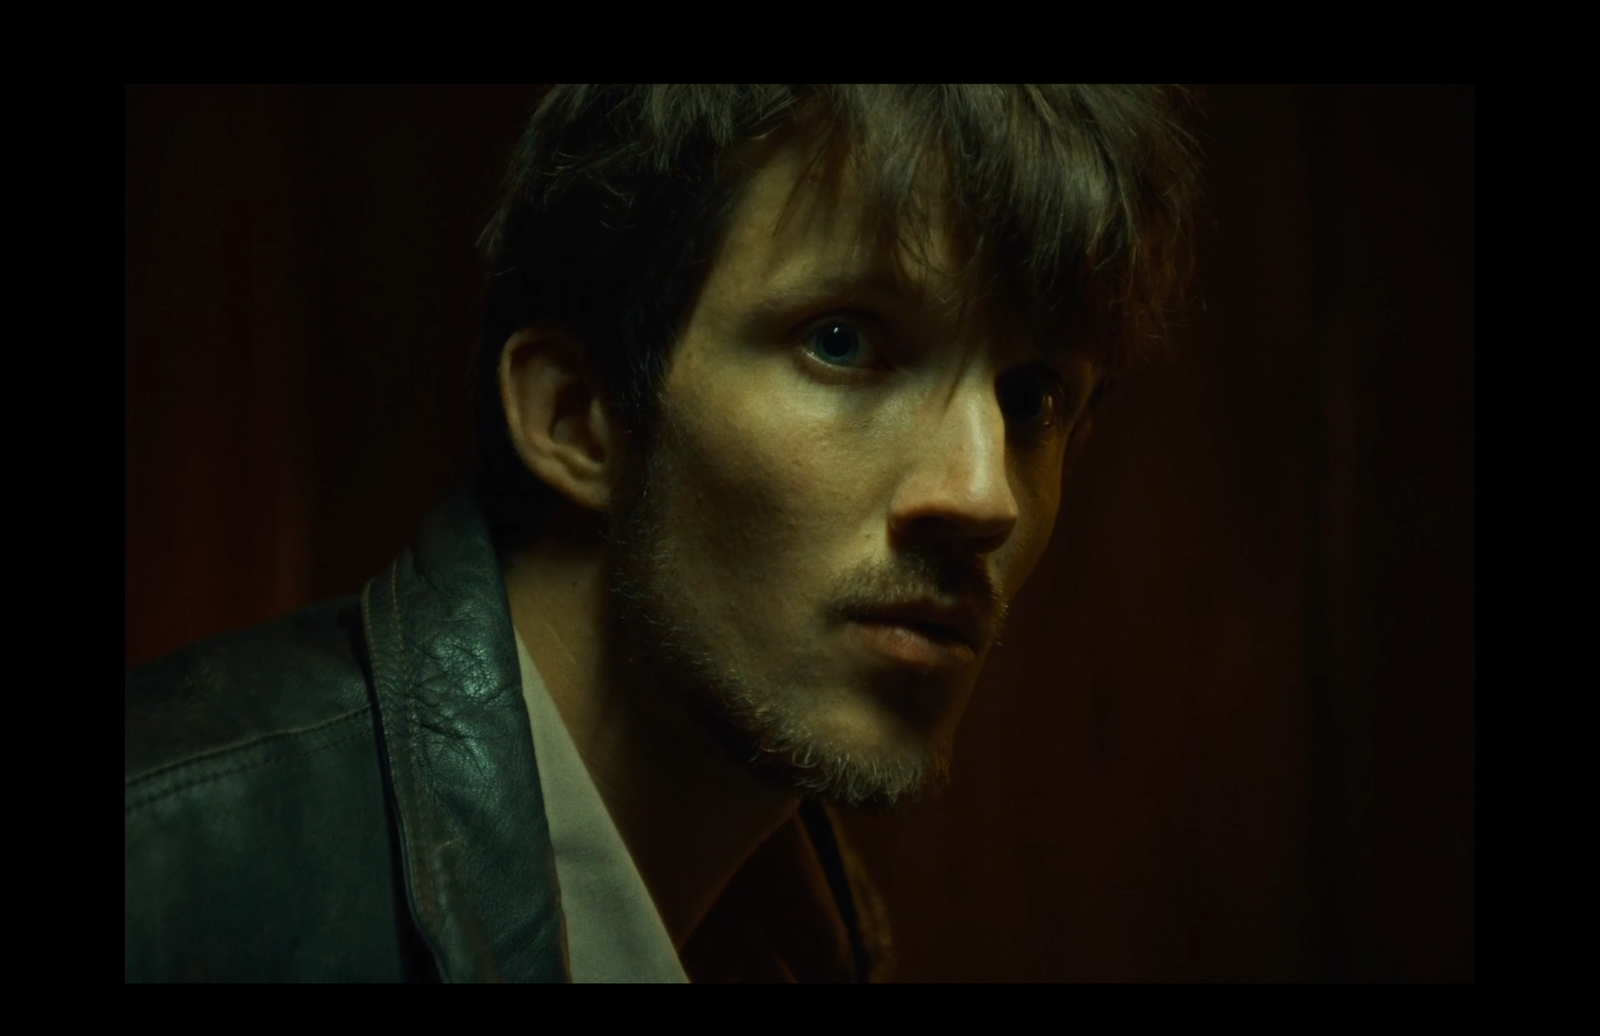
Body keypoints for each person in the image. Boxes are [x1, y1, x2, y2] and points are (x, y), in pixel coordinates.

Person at [124, 84, 1201, 982]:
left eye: (1033, 397)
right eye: (841, 341)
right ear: (578, 419)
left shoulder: (798, 930)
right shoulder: (170, 862)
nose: (983, 492)